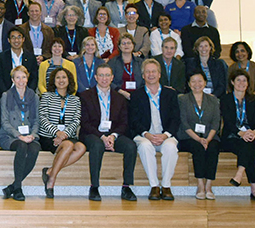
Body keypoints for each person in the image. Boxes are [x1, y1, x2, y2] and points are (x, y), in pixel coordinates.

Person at [80, 64, 138, 201]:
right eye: (101, 75)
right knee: (97, 145)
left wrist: (112, 136)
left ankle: (126, 187)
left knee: (131, 146)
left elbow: (124, 123)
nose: (104, 78)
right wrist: (102, 137)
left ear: (112, 78)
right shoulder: (85, 96)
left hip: (113, 135)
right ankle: (94, 186)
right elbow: (85, 122)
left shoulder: (120, 98)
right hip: (92, 134)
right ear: (96, 77)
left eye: (107, 75)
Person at [129, 59, 180, 201]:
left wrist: (165, 135)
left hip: (166, 135)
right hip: (144, 135)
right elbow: (133, 120)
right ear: (143, 75)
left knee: (170, 147)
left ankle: (166, 186)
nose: (150, 74)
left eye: (153, 71)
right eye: (147, 72)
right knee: (145, 146)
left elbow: (176, 119)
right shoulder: (136, 95)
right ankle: (154, 186)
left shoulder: (170, 94)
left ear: (159, 74)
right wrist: (147, 135)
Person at [38, 68, 86, 199]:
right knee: (69, 146)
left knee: (81, 147)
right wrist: (57, 133)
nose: (61, 80)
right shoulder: (47, 96)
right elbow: (42, 118)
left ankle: (50, 172)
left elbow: (76, 120)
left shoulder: (75, 100)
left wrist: (63, 134)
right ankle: (51, 181)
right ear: (53, 81)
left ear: (69, 80)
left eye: (64, 77)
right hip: (48, 136)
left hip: (67, 136)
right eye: (58, 77)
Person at [220, 68, 255, 201]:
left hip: (252, 135)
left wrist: (253, 132)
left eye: (244, 80)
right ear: (232, 82)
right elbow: (228, 122)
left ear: (248, 83)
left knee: (249, 144)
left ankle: (239, 175)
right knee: (248, 147)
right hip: (232, 136)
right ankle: (254, 188)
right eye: (238, 80)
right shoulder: (226, 99)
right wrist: (241, 133)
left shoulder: (254, 100)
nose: (241, 83)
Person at [177, 69, 221, 200]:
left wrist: (207, 139)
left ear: (205, 83)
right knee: (198, 148)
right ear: (189, 84)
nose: (197, 84)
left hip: (210, 136)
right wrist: (199, 139)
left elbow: (216, 123)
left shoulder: (213, 100)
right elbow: (184, 123)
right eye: (193, 81)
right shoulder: (183, 99)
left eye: (200, 81)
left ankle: (209, 185)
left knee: (213, 148)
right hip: (188, 136)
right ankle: (200, 184)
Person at [0, 66, 39, 201]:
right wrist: (19, 136)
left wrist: (32, 135)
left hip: (29, 134)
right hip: (10, 136)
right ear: (12, 80)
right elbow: (4, 121)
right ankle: (18, 188)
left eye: (23, 77)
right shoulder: (6, 96)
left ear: (27, 79)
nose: (21, 80)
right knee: (22, 146)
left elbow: (36, 120)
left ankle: (12, 187)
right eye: (17, 77)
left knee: (34, 149)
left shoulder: (33, 96)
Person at [0, 27, 39, 95]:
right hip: (7, 94)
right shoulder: (1, 57)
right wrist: (6, 94)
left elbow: (34, 78)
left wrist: (28, 93)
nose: (16, 40)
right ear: (9, 40)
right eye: (13, 37)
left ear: (23, 39)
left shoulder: (30, 57)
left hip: (26, 94)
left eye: (19, 37)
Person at [108, 33, 144, 99]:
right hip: (118, 95)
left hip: (138, 95)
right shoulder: (113, 62)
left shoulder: (140, 62)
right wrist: (121, 92)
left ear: (133, 45)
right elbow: (109, 80)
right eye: (123, 43)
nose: (126, 45)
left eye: (129, 43)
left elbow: (144, 80)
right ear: (119, 46)